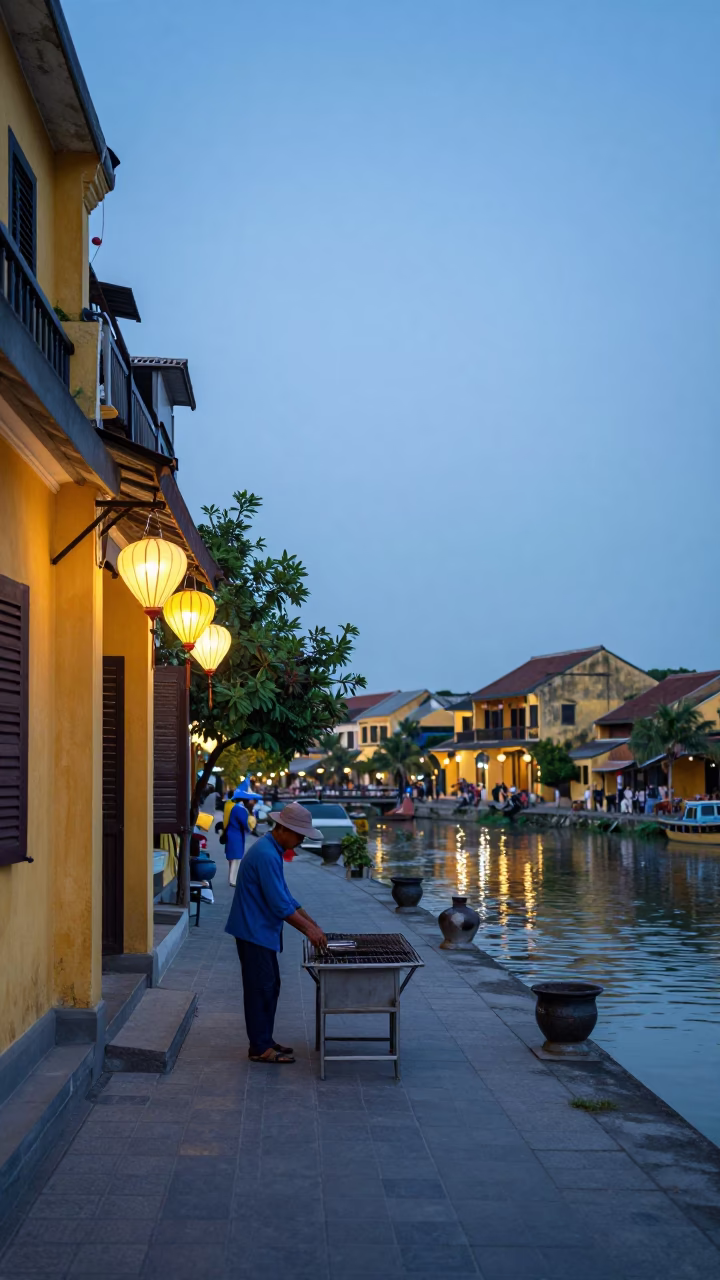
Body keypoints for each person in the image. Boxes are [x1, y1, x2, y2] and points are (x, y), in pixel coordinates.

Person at [225, 802, 327, 1064]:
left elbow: (286, 896)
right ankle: (259, 1046)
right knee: (261, 988)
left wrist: (312, 923)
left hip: (260, 930)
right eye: (299, 835)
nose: (301, 840)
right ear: (282, 829)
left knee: (270, 986)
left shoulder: (272, 850)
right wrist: (309, 931)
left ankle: (264, 1039)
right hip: (253, 930)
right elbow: (280, 905)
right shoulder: (267, 854)